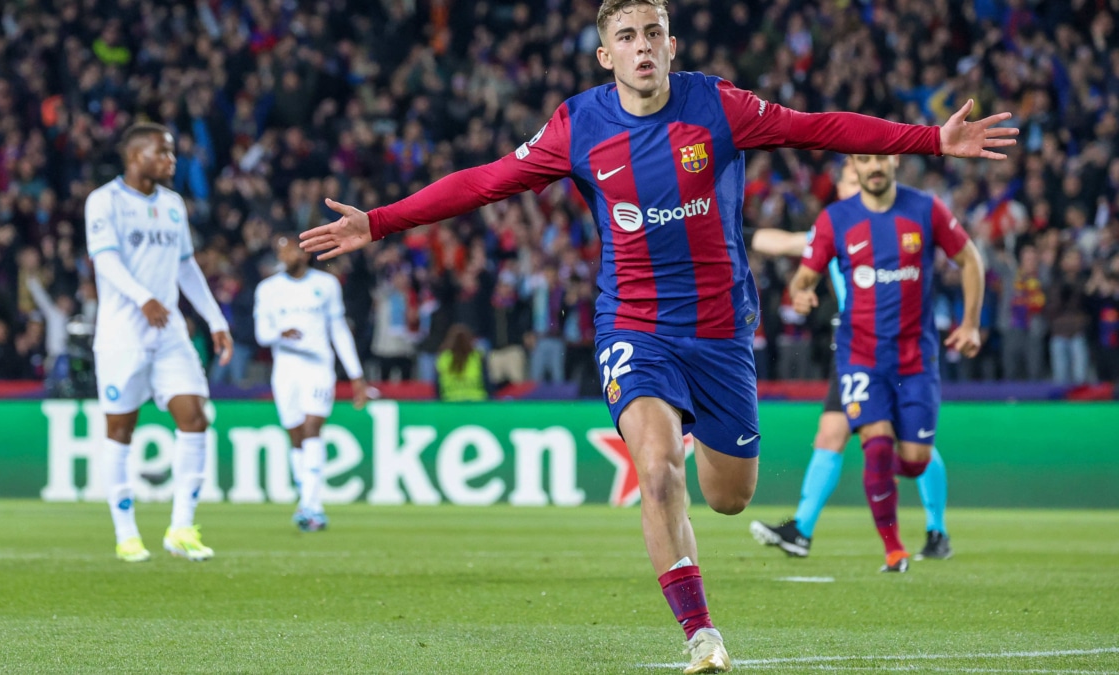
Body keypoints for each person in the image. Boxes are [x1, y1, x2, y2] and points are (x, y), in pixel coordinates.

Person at [299, 1, 1015, 670]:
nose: (642, 48)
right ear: (605, 54)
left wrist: (929, 141)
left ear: (671, 46)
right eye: (627, 37)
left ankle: (698, 445)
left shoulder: (719, 106)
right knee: (655, 461)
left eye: (653, 35)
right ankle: (701, 632)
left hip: (722, 331)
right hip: (634, 325)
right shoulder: (576, 125)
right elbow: (486, 181)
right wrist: (382, 220)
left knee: (730, 496)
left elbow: (818, 126)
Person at [787, 154, 985, 573]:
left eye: (880, 157)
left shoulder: (926, 209)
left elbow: (970, 260)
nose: (874, 166)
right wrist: (801, 293)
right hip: (860, 356)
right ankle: (893, 549)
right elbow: (803, 276)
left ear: (894, 160)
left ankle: (890, 484)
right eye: (864, 159)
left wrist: (970, 324)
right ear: (854, 167)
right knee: (875, 443)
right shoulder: (835, 219)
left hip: (917, 357)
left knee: (913, 460)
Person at [750, 159, 954, 562]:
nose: (848, 185)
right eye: (845, 179)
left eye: (849, 178)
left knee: (907, 445)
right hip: (854, 351)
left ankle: (936, 529)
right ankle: (802, 531)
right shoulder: (833, 227)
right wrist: (729, 232)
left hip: (893, 348)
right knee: (831, 434)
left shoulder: (889, 220)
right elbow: (784, 241)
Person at [85, 122, 233, 563]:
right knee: (120, 432)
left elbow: (187, 267)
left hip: (169, 333)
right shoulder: (104, 201)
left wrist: (214, 318)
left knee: (195, 417)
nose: (172, 160)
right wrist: (143, 298)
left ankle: (182, 528)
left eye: (172, 152)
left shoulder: (172, 205)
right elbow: (104, 259)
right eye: (163, 153)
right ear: (135, 157)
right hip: (121, 335)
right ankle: (126, 532)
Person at [254, 234, 368, 532]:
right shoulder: (268, 289)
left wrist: (355, 375)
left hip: (318, 366)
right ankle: (308, 502)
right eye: (281, 252)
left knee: (311, 427)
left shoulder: (325, 286)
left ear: (304, 254)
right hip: (286, 369)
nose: (285, 256)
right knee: (295, 435)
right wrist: (281, 333)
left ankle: (310, 505)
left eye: (290, 250)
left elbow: (339, 329)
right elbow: (261, 334)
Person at [435, 323, 489, 401]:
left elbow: (437, 387)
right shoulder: (477, 357)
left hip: (450, 402)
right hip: (477, 403)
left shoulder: (443, 359)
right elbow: (487, 383)